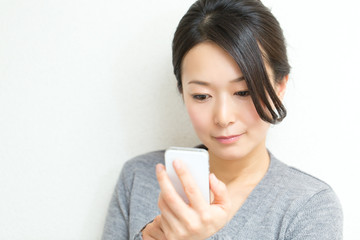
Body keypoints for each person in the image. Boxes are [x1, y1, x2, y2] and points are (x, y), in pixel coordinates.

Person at [101, 0, 343, 239]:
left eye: (243, 92)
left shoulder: (309, 206)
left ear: (280, 86)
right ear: (182, 93)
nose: (223, 117)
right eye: (202, 96)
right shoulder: (138, 178)